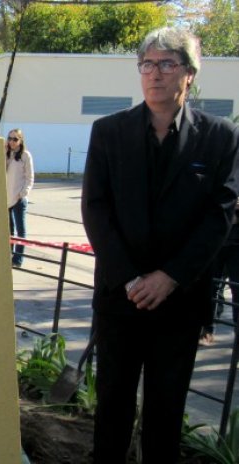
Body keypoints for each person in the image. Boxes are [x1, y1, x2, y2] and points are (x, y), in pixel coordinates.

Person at [81, 27, 239, 463]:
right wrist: (131, 277)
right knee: (111, 407)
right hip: (120, 295)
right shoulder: (109, 132)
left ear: (189, 73)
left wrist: (169, 277)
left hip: (180, 301)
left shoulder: (220, 136)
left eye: (167, 64)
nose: (155, 74)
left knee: (165, 414)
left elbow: (220, 216)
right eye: (147, 64)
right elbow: (96, 210)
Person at [200, 204, 239, 345]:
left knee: (237, 290)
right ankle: (207, 329)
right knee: (212, 287)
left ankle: (237, 331)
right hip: (217, 242)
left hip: (236, 245)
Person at [5, 128, 34, 268]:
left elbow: (30, 178)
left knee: (20, 230)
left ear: (21, 140)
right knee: (9, 229)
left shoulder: (25, 156)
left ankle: (18, 259)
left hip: (19, 198)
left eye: (15, 139)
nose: (12, 142)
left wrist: (24, 193)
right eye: (9, 138)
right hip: (6, 198)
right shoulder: (6, 155)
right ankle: (8, 255)